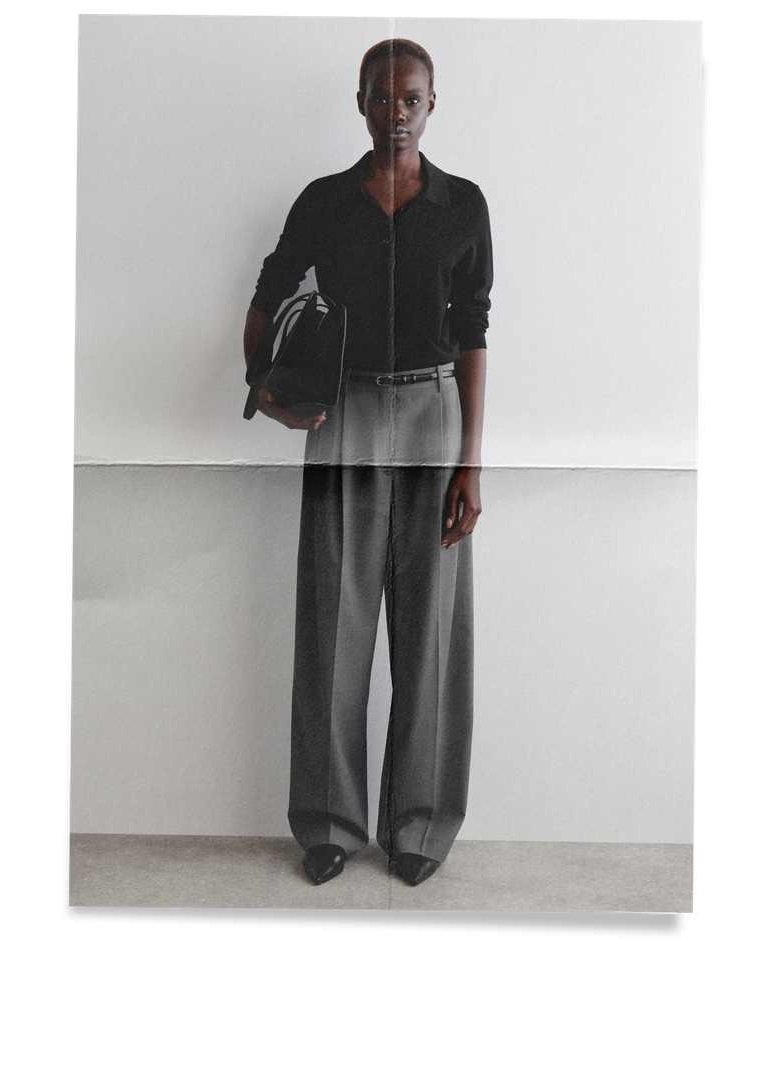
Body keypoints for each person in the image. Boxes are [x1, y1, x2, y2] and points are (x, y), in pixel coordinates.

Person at [243, 39, 492, 887]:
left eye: (411, 99)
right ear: (360, 103)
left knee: (432, 630)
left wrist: (471, 462)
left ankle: (421, 824)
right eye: (381, 99)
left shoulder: (463, 205)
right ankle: (327, 823)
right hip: (344, 411)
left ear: (433, 103)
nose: (396, 114)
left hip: (434, 414)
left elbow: (474, 331)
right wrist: (266, 392)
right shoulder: (324, 200)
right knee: (333, 623)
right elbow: (269, 292)